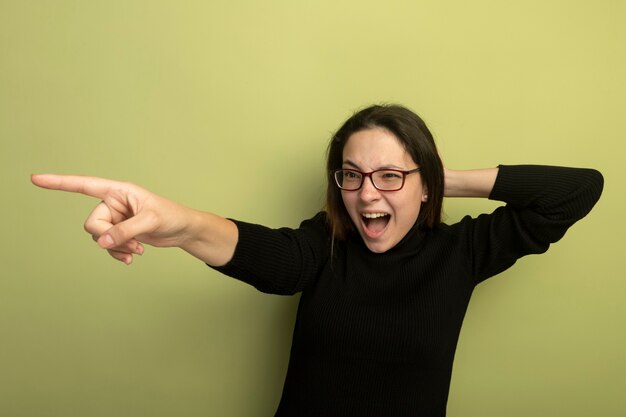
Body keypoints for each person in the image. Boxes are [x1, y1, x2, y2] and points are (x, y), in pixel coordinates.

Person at [31, 104, 604, 416]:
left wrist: (434, 178)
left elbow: (579, 189)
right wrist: (179, 223)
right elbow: (264, 255)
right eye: (352, 176)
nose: (368, 193)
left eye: (389, 176)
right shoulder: (324, 245)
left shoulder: (461, 252)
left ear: (423, 184)